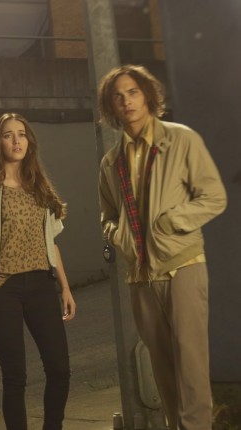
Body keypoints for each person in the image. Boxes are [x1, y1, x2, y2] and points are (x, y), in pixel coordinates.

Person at [97, 65, 227, 429]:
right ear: (111, 106)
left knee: (191, 365)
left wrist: (172, 222)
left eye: (133, 92)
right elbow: (107, 216)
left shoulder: (181, 140)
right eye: (118, 96)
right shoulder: (111, 161)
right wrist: (119, 236)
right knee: (162, 366)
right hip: (140, 276)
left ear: (148, 96)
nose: (127, 101)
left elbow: (214, 197)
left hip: (182, 265)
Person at [0, 112, 75, 430]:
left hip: (41, 284)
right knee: (15, 376)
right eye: (8, 135)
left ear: (29, 141)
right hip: (0, 289)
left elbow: (52, 243)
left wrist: (65, 288)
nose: (16, 140)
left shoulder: (39, 187)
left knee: (60, 369)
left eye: (22, 134)